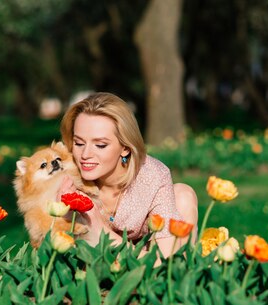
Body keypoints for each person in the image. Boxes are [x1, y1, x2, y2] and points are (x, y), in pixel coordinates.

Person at [58, 92, 198, 257]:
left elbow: (164, 262)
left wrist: (101, 231)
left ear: (125, 147)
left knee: (183, 195)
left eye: (101, 145)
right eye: (79, 143)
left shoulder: (153, 176)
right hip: (93, 264)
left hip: (147, 256)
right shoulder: (65, 171)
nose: (85, 154)